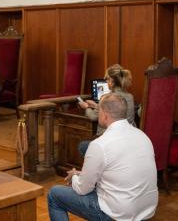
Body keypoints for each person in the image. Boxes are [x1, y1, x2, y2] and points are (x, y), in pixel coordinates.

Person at [47, 93, 158, 221]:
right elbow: (121, 170)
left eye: (99, 110)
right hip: (146, 209)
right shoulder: (143, 136)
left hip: (118, 213)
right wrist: (84, 174)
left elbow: (83, 189)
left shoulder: (99, 145)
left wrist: (75, 177)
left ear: (105, 114)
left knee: (54, 195)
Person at [78, 64, 135, 157]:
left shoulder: (107, 98)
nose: (106, 82)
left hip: (111, 141)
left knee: (82, 146)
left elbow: (93, 117)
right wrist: (97, 105)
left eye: (107, 79)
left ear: (111, 81)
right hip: (128, 139)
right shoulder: (130, 97)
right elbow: (115, 110)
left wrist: (86, 107)